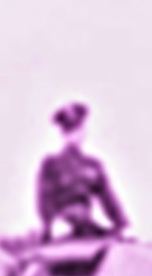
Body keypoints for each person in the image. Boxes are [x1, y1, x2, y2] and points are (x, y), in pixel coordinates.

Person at [35, 101, 127, 240]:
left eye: (78, 129)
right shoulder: (51, 164)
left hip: (86, 225)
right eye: (69, 131)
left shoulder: (93, 165)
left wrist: (121, 223)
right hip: (60, 226)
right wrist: (52, 222)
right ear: (63, 134)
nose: (74, 135)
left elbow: (109, 198)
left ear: (84, 131)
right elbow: (43, 199)